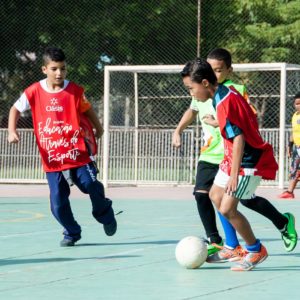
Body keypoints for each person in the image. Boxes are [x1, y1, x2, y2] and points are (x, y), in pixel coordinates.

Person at [173, 48, 297, 262]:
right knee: (214, 195)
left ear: (204, 83)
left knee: (229, 208)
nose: (191, 94)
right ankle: (231, 246)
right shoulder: (220, 94)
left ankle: (255, 249)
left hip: (247, 160)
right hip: (231, 156)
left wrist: (233, 174)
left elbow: (239, 138)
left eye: (190, 89)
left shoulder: (224, 102)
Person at [7, 47, 117, 247]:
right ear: (44, 69)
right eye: (54, 68)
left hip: (77, 153)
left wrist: (98, 128)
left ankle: (104, 212)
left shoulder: (74, 91)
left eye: (63, 69)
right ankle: (72, 232)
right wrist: (11, 131)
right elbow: (15, 108)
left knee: (91, 185)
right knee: (57, 203)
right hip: (52, 158)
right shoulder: (33, 91)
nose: (59, 73)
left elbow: (88, 110)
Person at [278, 92, 300, 199]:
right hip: (297, 147)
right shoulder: (295, 116)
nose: (298, 105)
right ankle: (289, 192)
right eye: (297, 103)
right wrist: (290, 146)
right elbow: (293, 132)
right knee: (294, 169)